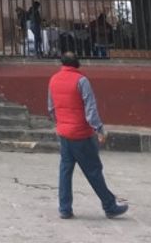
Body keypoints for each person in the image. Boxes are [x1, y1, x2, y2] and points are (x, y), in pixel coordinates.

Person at [47, 53, 128, 220]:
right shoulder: (81, 81)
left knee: (65, 171)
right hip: (80, 133)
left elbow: (51, 107)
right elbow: (90, 110)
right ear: (77, 63)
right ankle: (109, 205)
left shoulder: (53, 80)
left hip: (64, 132)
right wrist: (99, 129)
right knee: (93, 170)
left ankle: (64, 208)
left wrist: (60, 124)